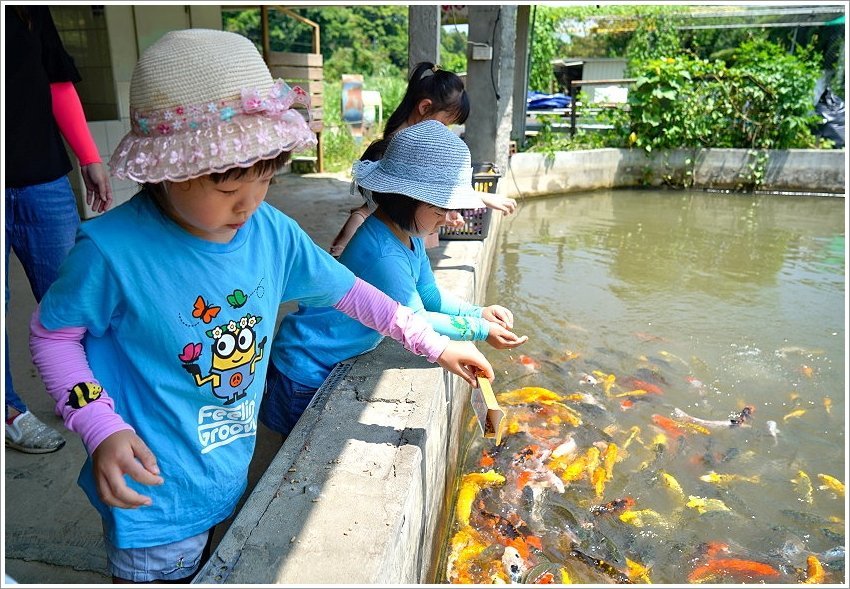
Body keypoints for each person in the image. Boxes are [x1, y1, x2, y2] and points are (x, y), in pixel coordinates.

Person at [28, 29, 493, 584]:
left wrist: (437, 346)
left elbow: (354, 294)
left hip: (225, 470)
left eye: (266, 179)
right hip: (153, 497)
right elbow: (53, 338)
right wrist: (98, 425)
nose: (249, 202)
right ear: (169, 168)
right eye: (227, 190)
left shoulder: (272, 232)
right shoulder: (111, 252)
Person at [260, 120, 529, 438]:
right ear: (405, 199)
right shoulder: (383, 254)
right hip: (306, 367)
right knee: (297, 447)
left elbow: (429, 294)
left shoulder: (410, 236)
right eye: (439, 209)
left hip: (323, 356)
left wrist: (477, 312)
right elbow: (417, 319)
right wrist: (480, 330)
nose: (446, 218)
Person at [5, 5, 113, 454]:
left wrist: (89, 156)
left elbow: (56, 80)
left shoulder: (28, 11)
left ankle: (86, 398)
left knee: (71, 296)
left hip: (44, 178)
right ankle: (7, 412)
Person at [328, 61, 517, 258]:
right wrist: (482, 198)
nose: (446, 132)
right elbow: (379, 207)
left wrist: (444, 214)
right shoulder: (408, 144)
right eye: (445, 123)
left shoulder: (405, 135)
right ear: (425, 107)